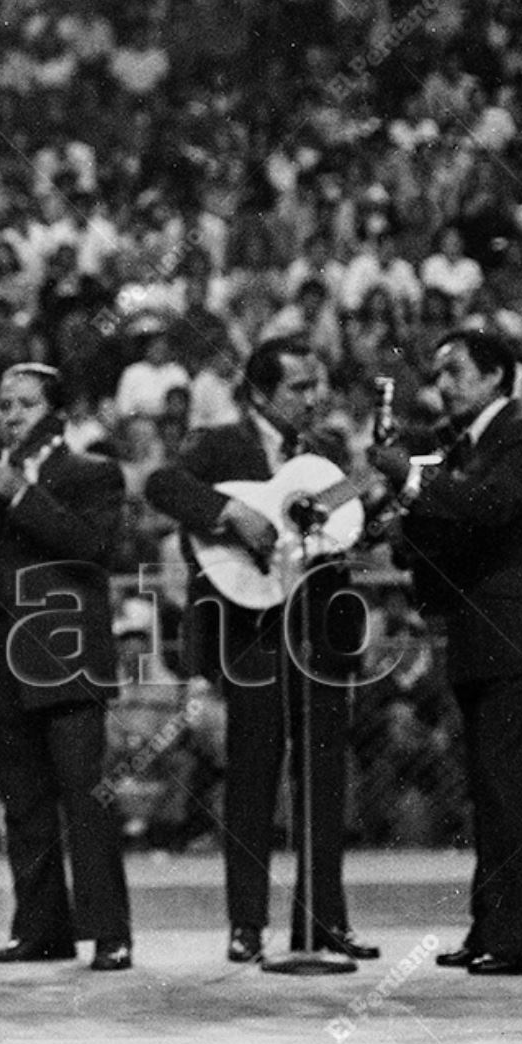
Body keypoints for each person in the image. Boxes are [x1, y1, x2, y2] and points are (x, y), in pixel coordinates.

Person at [145, 337, 379, 965]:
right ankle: (246, 922)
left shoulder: (329, 452)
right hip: (253, 633)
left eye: (316, 385)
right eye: (298, 387)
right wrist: (229, 513)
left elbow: (350, 523)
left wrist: (376, 496)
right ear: (258, 393)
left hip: (319, 630)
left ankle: (323, 921)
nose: (313, 398)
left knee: (325, 779)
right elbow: (162, 484)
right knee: (251, 778)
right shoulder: (221, 443)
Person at [369, 329, 522, 976]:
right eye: (439, 374)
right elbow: (453, 522)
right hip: (484, 635)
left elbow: (488, 508)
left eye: (457, 371)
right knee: (492, 788)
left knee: (507, 785)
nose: (444, 384)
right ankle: (495, 925)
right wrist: (404, 521)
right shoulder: (467, 444)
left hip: (519, 637)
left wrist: (408, 478)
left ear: (496, 375)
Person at [0, 363, 134, 971]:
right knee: (22, 803)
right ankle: (41, 929)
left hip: (65, 657)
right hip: (0, 658)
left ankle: (110, 932)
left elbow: (94, 547)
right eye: (3, 405)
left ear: (54, 414)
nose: (10, 416)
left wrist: (21, 495)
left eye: (24, 405)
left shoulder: (90, 472)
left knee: (86, 798)